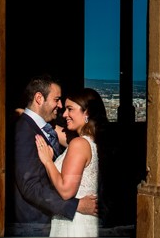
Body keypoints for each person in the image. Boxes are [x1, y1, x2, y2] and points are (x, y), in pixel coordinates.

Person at [12, 76, 98, 236]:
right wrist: (76, 206)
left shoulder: (45, 128)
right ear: (39, 98)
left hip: (56, 224)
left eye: (68, 108)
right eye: (57, 99)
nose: (60, 107)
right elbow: (29, 186)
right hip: (34, 224)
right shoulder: (24, 130)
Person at [34, 87, 106, 237]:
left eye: (70, 109)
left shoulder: (79, 144)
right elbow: (56, 131)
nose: (64, 114)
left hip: (74, 226)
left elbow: (66, 191)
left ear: (86, 112)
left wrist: (48, 161)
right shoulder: (91, 142)